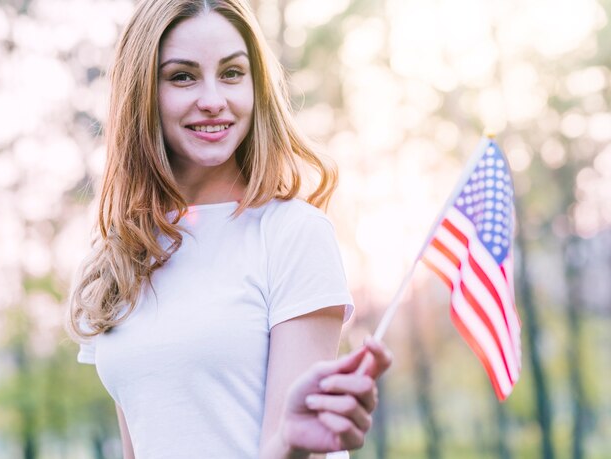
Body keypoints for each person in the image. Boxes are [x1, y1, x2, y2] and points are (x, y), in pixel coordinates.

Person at [66, 0, 392, 458]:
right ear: (141, 93)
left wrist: (292, 443)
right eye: (182, 76)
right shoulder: (121, 255)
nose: (214, 99)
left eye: (233, 73)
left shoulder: (292, 234)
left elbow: (295, 445)